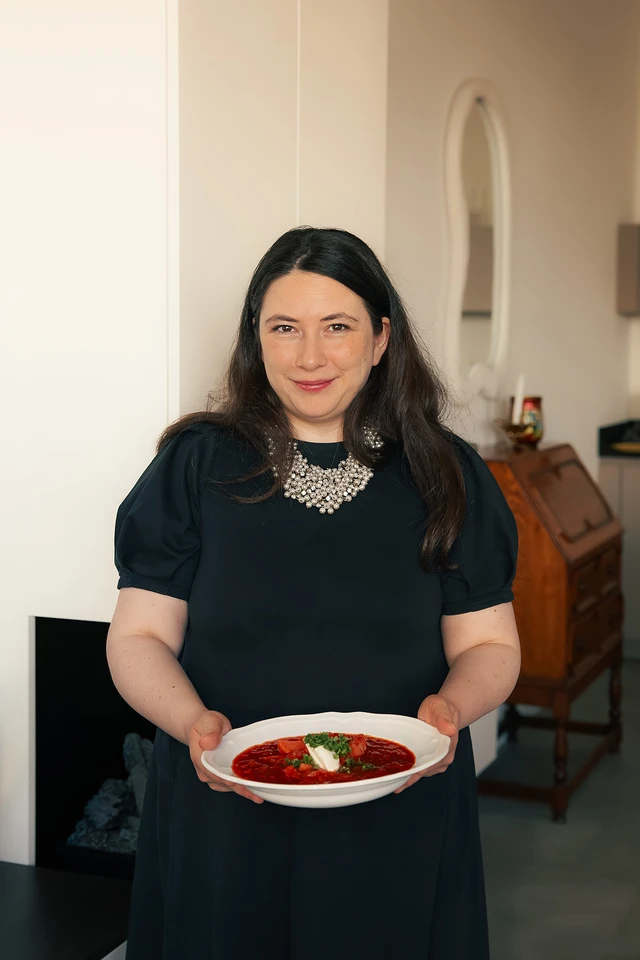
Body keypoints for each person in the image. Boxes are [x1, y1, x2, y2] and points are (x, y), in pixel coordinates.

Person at [107, 226, 520, 960]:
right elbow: (138, 636)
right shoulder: (194, 465)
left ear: (381, 338)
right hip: (225, 810)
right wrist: (194, 724)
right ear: (255, 338)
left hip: (399, 808)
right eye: (284, 328)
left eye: (338, 327)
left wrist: (452, 710)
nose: (309, 356)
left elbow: (489, 644)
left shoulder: (446, 473)